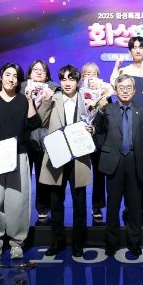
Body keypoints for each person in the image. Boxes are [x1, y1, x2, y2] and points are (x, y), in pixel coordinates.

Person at [0, 63, 42, 260]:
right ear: (1, 77)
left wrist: (30, 100)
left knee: (18, 201)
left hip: (18, 155)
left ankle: (17, 242)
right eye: (7, 74)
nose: (11, 79)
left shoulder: (23, 100)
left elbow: (34, 123)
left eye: (15, 76)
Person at [95, 74, 143, 256]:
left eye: (129, 87)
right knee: (113, 206)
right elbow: (99, 131)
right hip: (114, 161)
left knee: (135, 206)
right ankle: (111, 243)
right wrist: (99, 112)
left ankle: (134, 242)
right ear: (115, 90)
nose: (125, 91)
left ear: (134, 90)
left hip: (135, 161)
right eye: (121, 88)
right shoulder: (107, 109)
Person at [38, 65, 91, 257]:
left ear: (78, 81)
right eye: (63, 79)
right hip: (57, 155)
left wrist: (92, 129)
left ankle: (78, 243)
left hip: (79, 157)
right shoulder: (53, 97)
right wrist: (45, 101)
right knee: (56, 202)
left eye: (71, 79)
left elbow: (93, 122)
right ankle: (56, 241)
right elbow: (41, 121)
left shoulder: (87, 98)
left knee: (79, 203)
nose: (67, 83)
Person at [110, 36, 143, 222]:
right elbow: (114, 89)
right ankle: (129, 205)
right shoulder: (124, 71)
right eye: (134, 47)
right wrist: (116, 67)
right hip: (128, 122)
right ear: (130, 51)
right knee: (129, 166)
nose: (138, 50)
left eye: (141, 47)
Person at [23, 59, 57, 222]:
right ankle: (21, 209)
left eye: (42, 70)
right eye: (35, 69)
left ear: (47, 75)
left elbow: (46, 119)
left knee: (42, 176)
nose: (38, 72)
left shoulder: (54, 89)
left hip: (44, 139)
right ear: (29, 73)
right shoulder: (21, 88)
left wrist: (47, 100)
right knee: (22, 177)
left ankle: (42, 207)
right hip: (24, 138)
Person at [81, 62, 107, 222]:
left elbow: (108, 117)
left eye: (94, 73)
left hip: (98, 138)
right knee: (80, 173)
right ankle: (80, 206)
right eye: (87, 73)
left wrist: (95, 128)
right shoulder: (77, 92)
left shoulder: (105, 93)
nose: (90, 77)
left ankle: (97, 206)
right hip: (80, 138)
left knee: (99, 174)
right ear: (82, 76)